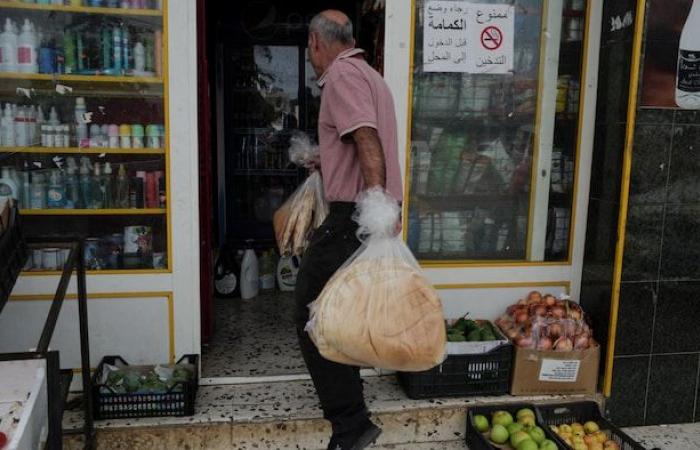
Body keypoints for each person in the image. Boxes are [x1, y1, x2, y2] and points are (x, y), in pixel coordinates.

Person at [295, 9, 403, 450]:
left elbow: (366, 139)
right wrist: (326, 161)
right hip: (363, 211)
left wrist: (375, 206)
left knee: (310, 311)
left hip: (352, 216)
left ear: (317, 42)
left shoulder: (340, 77)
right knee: (339, 314)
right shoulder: (369, 76)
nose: (310, 56)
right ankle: (353, 418)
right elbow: (357, 141)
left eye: (308, 48)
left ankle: (351, 425)